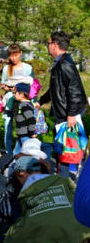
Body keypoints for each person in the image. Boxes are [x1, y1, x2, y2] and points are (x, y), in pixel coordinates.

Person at [0, 156, 90, 243]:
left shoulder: (23, 193)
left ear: (21, 173)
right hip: (74, 224)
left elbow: (19, 216)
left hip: (44, 228)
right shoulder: (60, 179)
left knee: (12, 237)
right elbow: (75, 194)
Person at [36, 31, 87, 177]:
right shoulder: (60, 62)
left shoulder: (64, 64)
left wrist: (71, 114)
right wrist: (41, 101)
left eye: (49, 43)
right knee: (62, 146)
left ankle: (66, 178)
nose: (48, 46)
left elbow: (75, 91)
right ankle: (65, 173)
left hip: (68, 112)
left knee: (66, 147)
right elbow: (55, 88)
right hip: (65, 111)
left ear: (55, 45)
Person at [0, 44, 34, 155]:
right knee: (7, 129)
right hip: (10, 102)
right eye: (11, 56)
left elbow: (33, 86)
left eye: (15, 55)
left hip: (23, 104)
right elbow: (3, 84)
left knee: (23, 130)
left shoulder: (28, 68)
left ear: (20, 54)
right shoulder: (6, 69)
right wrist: (5, 87)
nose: (13, 58)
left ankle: (22, 153)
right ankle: (8, 154)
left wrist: (35, 101)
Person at [13, 82, 36, 155]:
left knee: (26, 154)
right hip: (21, 135)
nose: (14, 94)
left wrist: (31, 133)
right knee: (16, 154)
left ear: (22, 94)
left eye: (15, 92)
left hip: (25, 136)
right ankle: (14, 165)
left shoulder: (24, 105)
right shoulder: (27, 104)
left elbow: (32, 120)